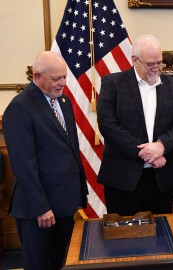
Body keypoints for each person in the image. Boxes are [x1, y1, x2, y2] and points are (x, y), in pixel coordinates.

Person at [3, 51, 88, 270]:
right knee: (39, 265)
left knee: (61, 263)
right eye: (56, 79)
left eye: (64, 77)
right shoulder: (20, 107)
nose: (62, 83)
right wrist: (41, 207)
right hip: (38, 210)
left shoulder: (64, 101)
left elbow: (70, 150)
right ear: (37, 76)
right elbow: (24, 165)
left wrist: (79, 193)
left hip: (64, 204)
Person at [97, 35, 173, 216]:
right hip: (123, 178)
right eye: (150, 64)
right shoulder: (113, 84)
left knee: (161, 237)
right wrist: (148, 153)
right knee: (123, 237)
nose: (156, 69)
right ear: (135, 60)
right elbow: (108, 125)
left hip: (161, 179)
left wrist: (161, 146)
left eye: (159, 63)